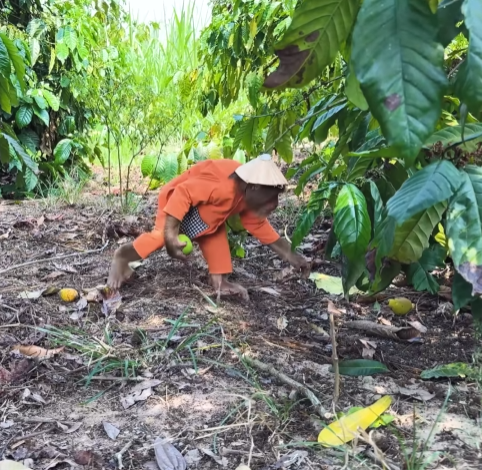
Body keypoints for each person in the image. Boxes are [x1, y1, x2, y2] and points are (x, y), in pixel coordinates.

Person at [107, 153, 310, 300]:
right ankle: (123, 256)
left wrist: (293, 256)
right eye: (270, 197)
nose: (274, 204)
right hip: (176, 203)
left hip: (208, 217)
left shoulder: (247, 195)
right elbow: (183, 193)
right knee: (159, 238)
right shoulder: (224, 187)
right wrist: (171, 233)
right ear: (254, 187)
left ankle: (219, 282)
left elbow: (260, 227)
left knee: (215, 236)